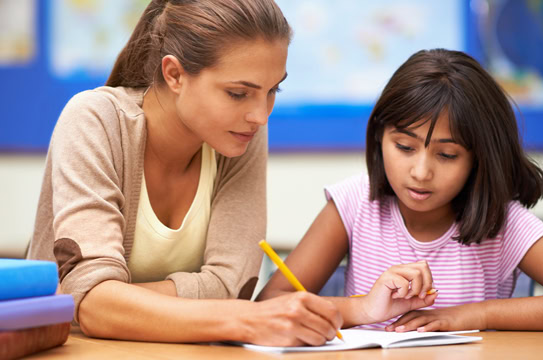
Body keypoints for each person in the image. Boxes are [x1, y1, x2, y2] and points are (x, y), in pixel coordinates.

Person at [28, 0, 342, 346]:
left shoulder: (240, 134)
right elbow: (93, 305)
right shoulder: (94, 120)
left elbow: (232, 287)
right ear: (174, 74)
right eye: (238, 93)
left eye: (273, 91)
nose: (260, 115)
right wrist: (244, 318)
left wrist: (110, 300)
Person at [258, 48, 543, 331]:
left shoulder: (502, 223)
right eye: (404, 147)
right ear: (378, 138)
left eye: (448, 154)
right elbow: (271, 304)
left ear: (479, 158)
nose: (421, 172)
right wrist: (357, 310)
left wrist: (474, 314)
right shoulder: (355, 203)